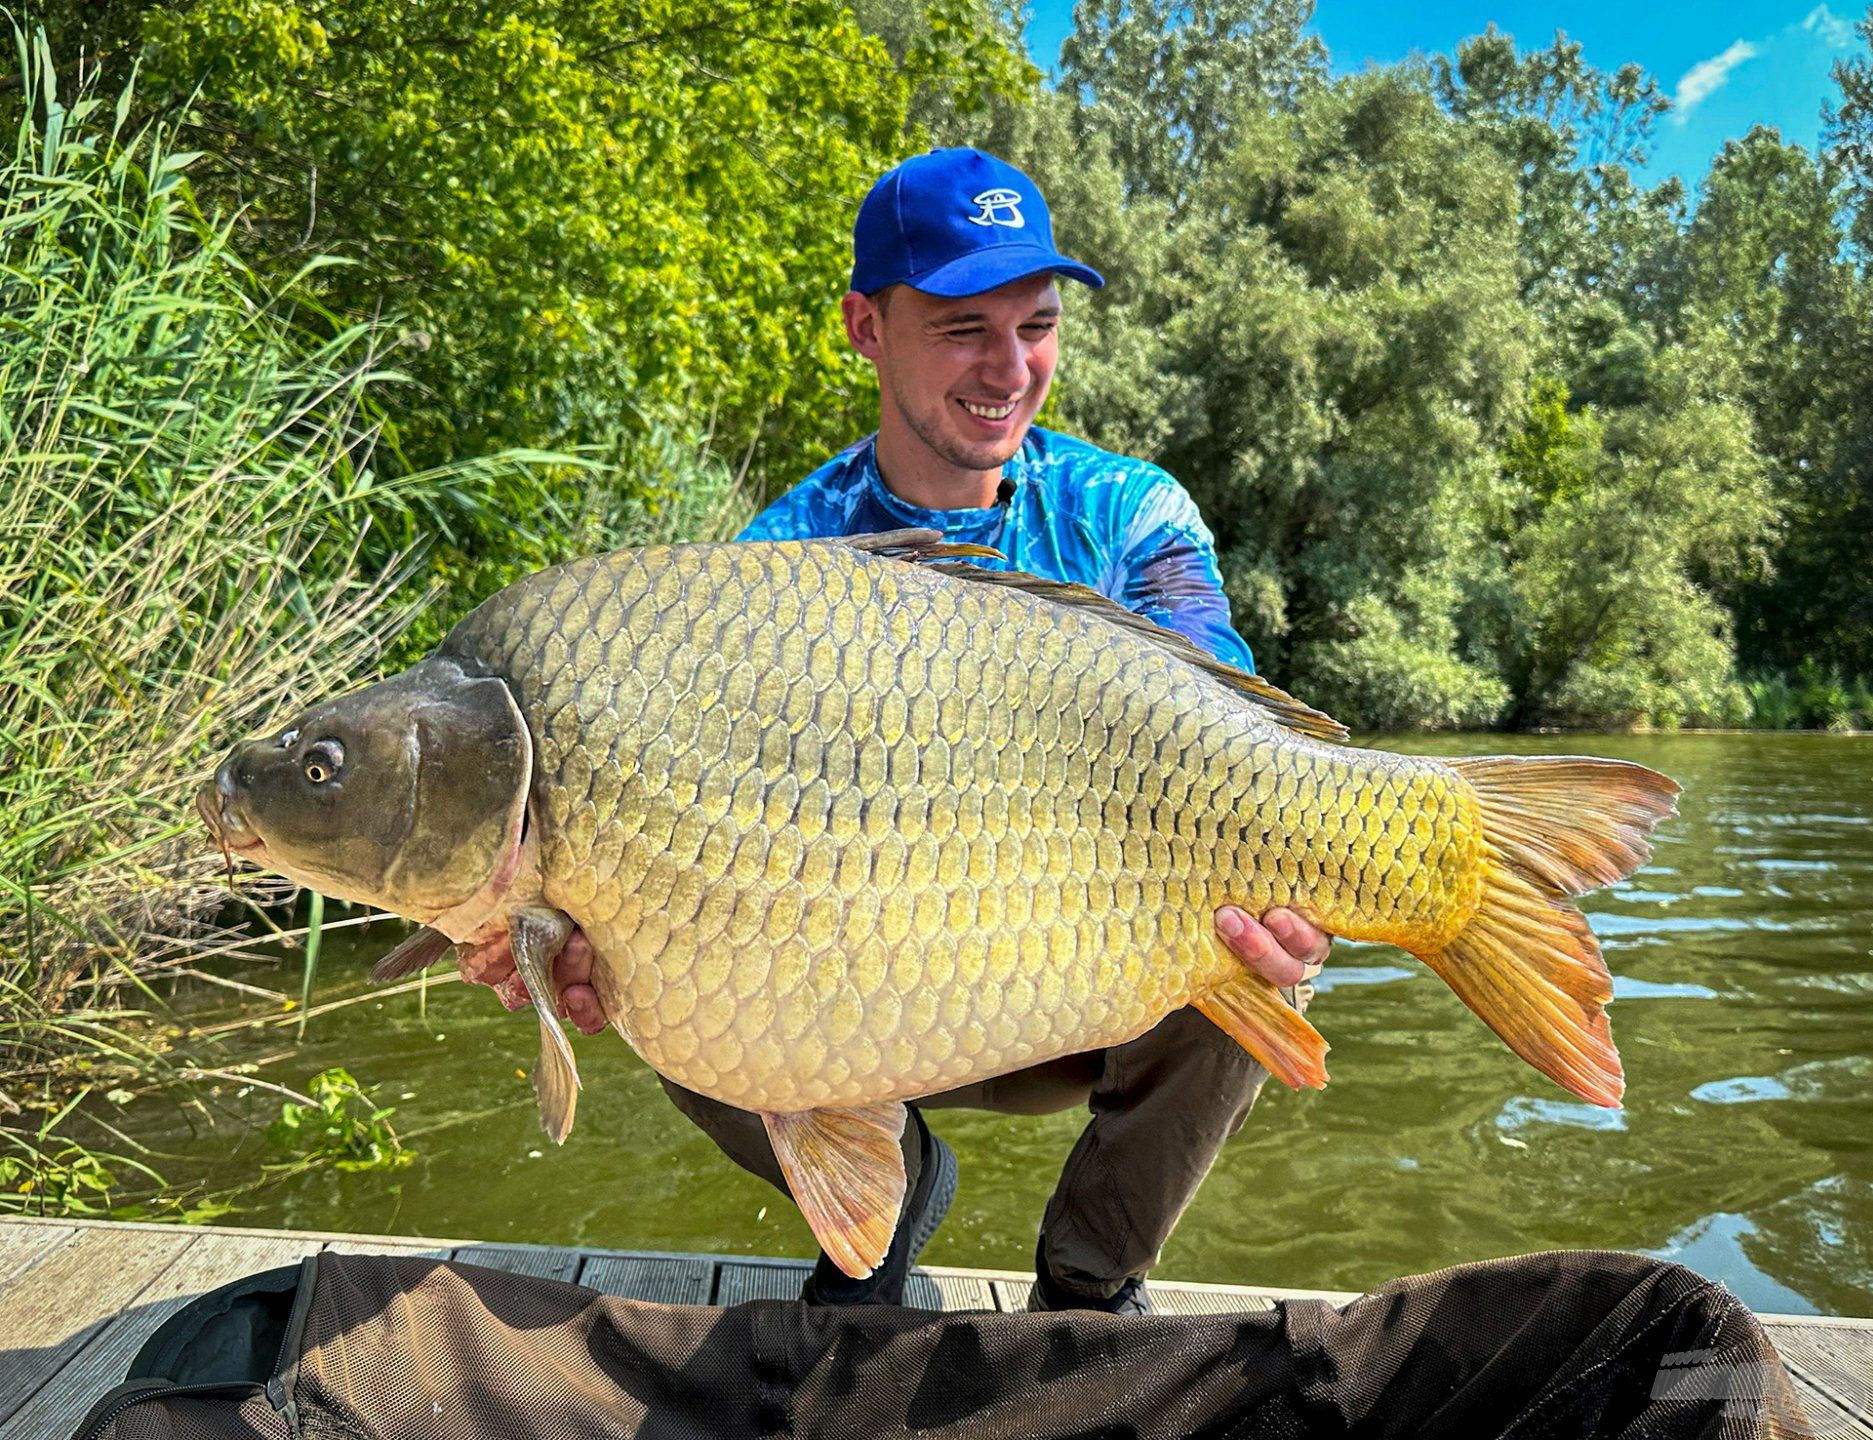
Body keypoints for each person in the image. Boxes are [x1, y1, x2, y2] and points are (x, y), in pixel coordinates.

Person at [558, 147, 1329, 1316]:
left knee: (1242, 952)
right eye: (965, 327)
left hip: (1084, 985)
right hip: (868, 997)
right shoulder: (780, 562)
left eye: (1038, 324)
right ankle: (892, 1192)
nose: (1009, 369)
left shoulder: (1131, 514)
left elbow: (1234, 744)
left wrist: (1297, 901)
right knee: (650, 976)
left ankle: (1089, 1283)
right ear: (866, 326)